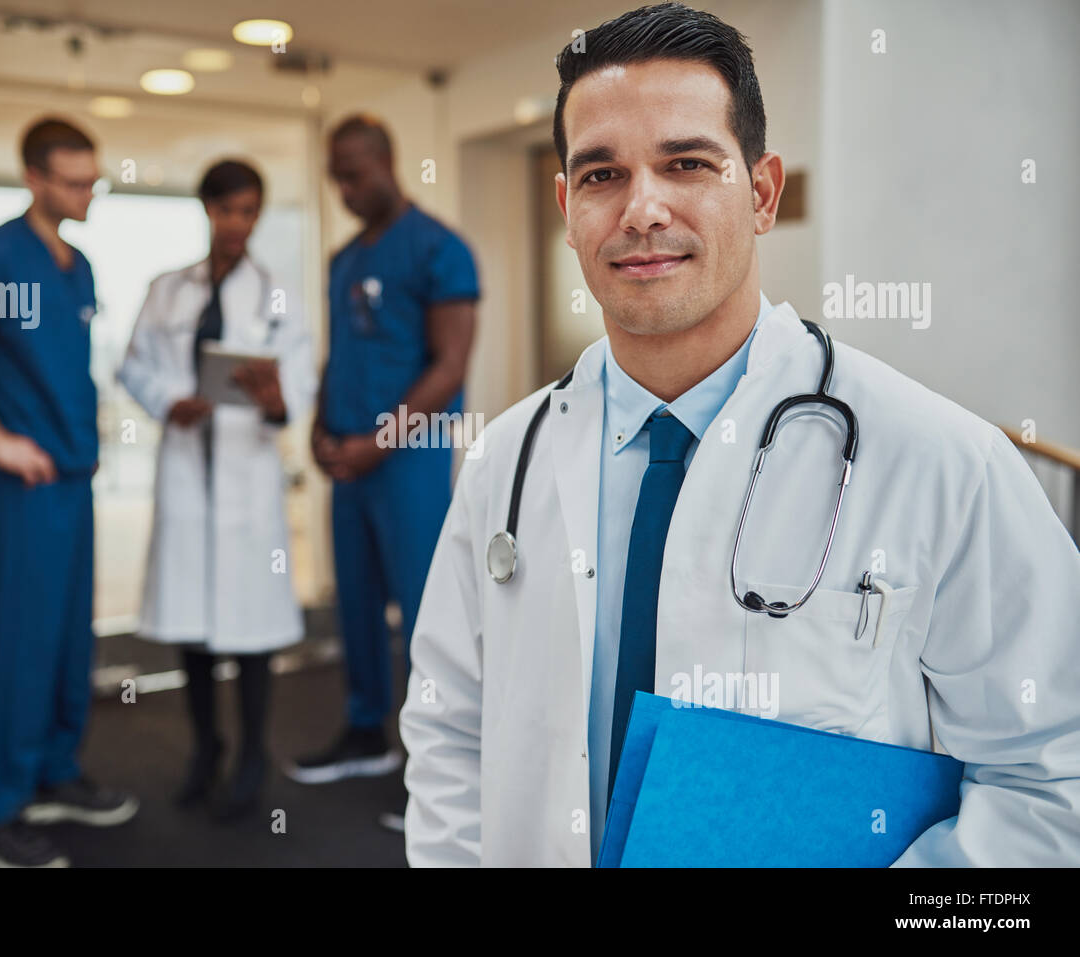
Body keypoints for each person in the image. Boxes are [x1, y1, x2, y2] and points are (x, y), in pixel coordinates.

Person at [400, 2, 1080, 867]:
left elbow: (1055, 778)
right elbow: (449, 723)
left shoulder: (943, 461)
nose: (642, 210)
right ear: (568, 207)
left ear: (761, 193)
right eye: (603, 175)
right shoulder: (506, 459)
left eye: (686, 163)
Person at [0, 117, 138, 868]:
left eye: (92, 180)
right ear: (34, 178)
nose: (86, 193)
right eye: (72, 182)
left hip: (74, 479)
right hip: (24, 484)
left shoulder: (78, 265)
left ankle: (53, 773)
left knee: (73, 638)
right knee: (22, 640)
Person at [284, 116, 479, 832]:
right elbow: (338, 353)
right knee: (356, 604)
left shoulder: (440, 250)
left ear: (388, 163)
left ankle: (438, 767)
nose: (344, 187)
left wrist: (380, 440)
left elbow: (450, 365)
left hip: (409, 462)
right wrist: (319, 428)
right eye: (335, 175)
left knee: (427, 616)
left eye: (355, 173)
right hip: (349, 461)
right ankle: (366, 730)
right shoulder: (341, 259)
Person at [117, 160, 316, 821]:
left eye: (250, 211)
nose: (238, 223)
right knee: (193, 628)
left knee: (252, 627)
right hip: (186, 467)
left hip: (246, 472)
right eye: (227, 210)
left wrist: (275, 397)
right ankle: (206, 747)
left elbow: (298, 392)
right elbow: (134, 364)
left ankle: (253, 753)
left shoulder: (277, 293)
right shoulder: (167, 289)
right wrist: (166, 401)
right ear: (206, 209)